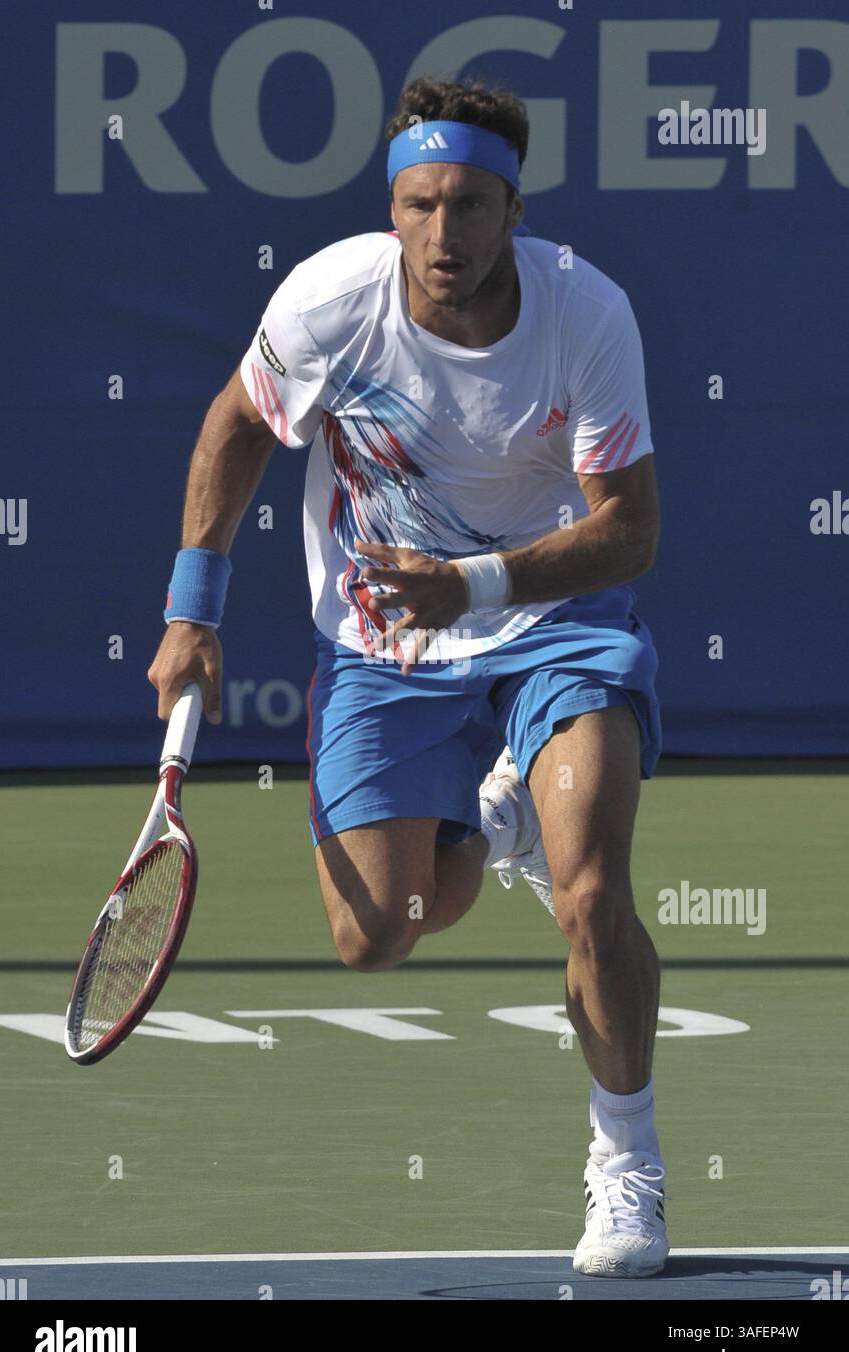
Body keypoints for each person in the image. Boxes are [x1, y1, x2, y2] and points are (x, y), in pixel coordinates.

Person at [148, 75, 667, 1278]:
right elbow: (234, 426)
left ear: (513, 210)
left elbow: (629, 530)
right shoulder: (331, 302)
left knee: (593, 894)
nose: (445, 236)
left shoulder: (588, 315)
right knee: (379, 934)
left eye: (471, 207)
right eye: (422, 205)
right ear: (394, 208)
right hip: (384, 641)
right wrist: (192, 611)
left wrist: (478, 584)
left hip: (556, 616)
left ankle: (626, 1169)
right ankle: (493, 821)